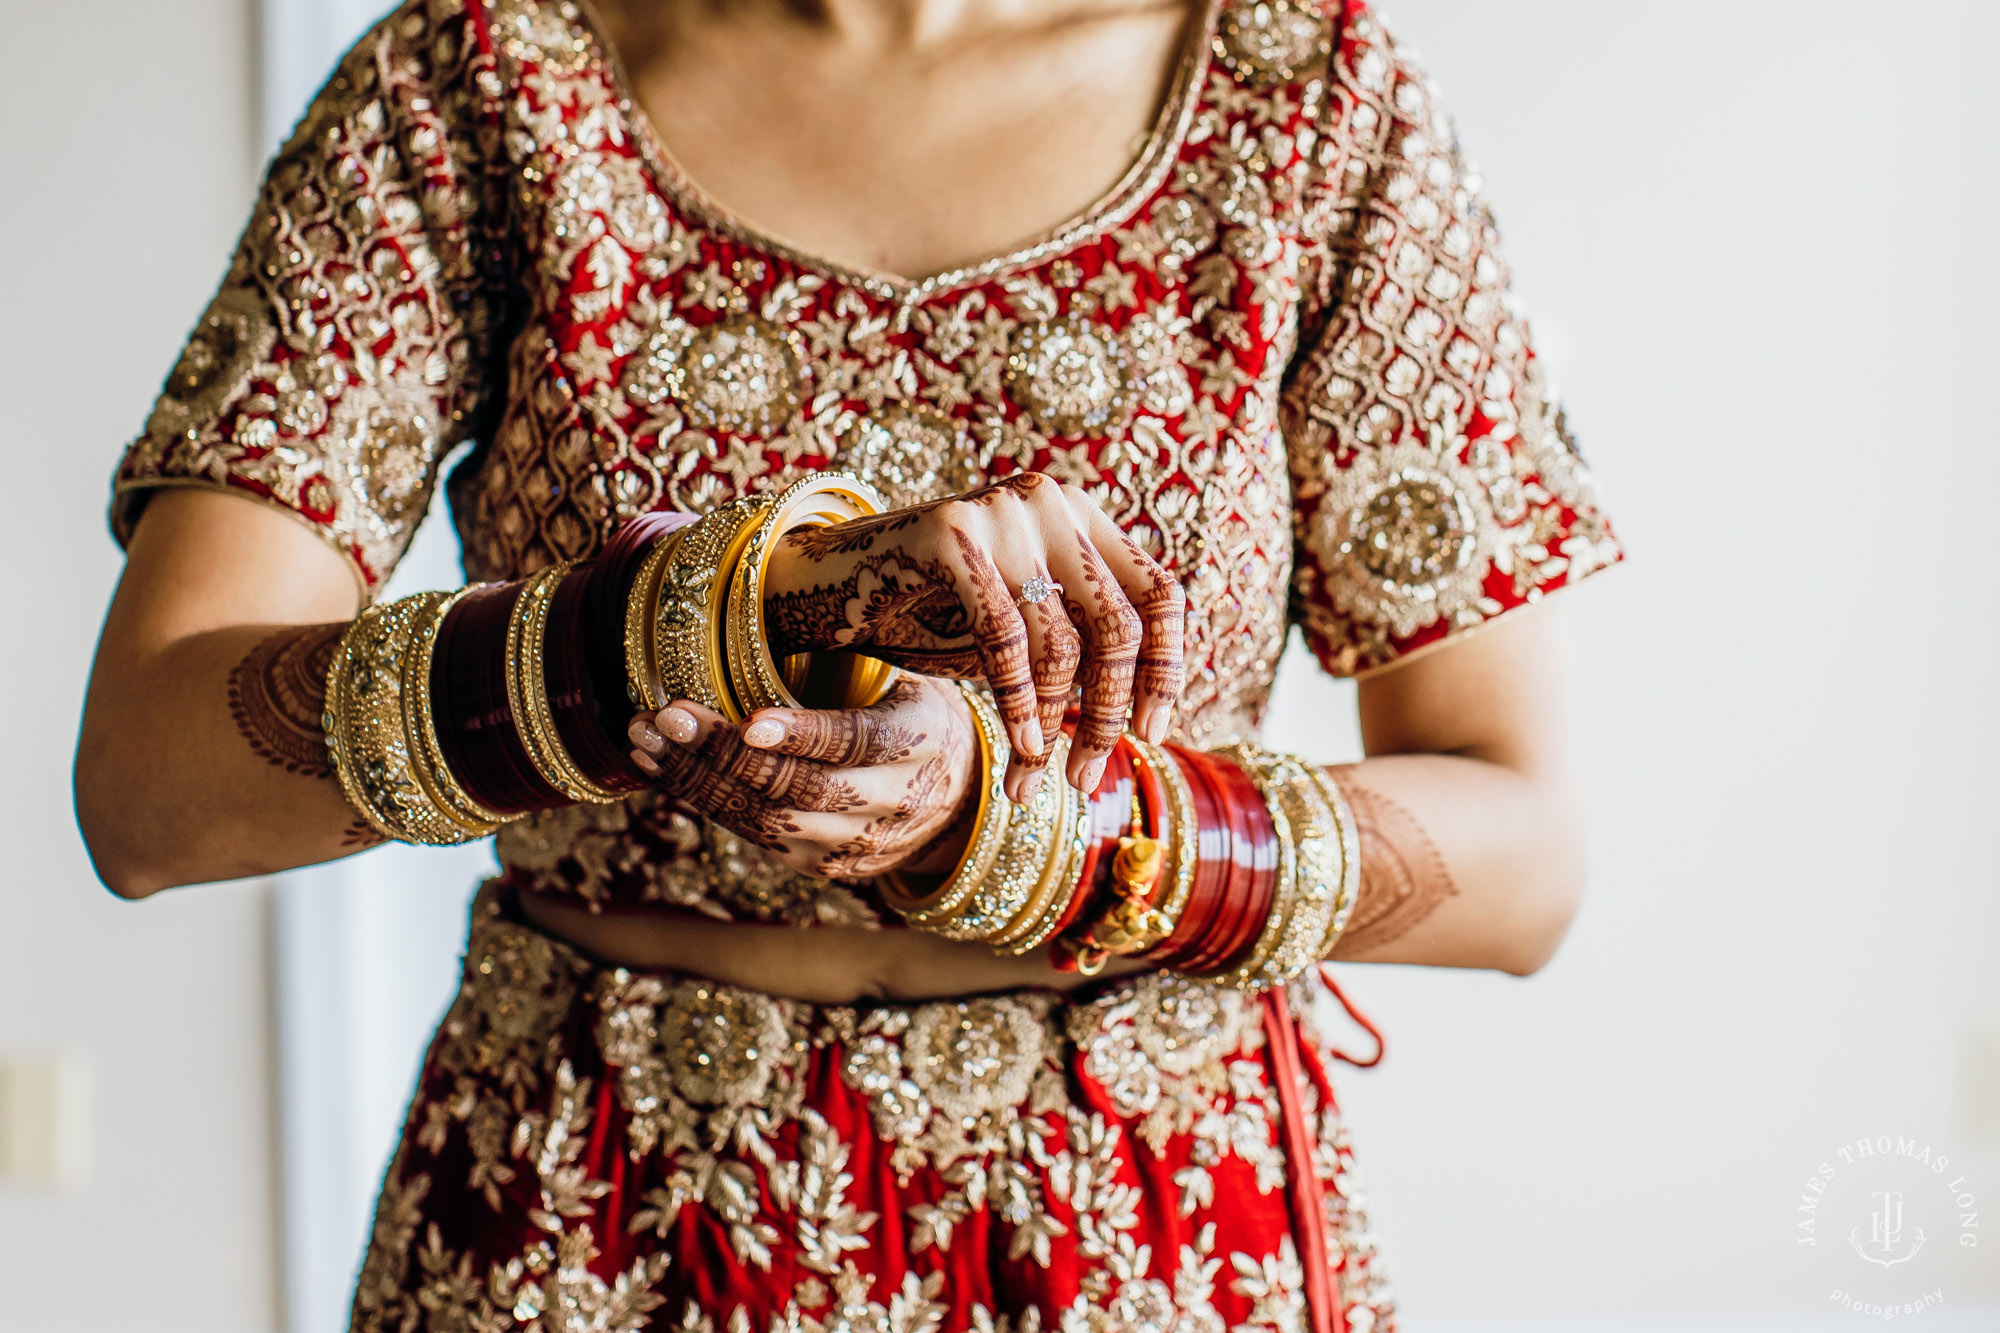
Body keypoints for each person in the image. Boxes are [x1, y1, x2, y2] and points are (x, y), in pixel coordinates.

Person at [74, 0, 1622, 1328]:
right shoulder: (487, 80)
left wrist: (1025, 836)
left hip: (1149, 1231)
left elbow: (1522, 846)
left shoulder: (1305, 98)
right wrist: (741, 616)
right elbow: (150, 787)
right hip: (586, 1216)